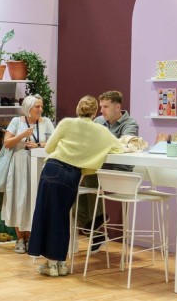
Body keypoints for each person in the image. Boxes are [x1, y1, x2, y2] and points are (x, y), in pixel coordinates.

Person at [27, 96, 123, 277]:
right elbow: (118, 148)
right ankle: (61, 263)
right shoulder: (100, 131)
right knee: (62, 218)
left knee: (47, 216)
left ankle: (51, 264)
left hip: (53, 170)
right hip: (73, 176)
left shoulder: (66, 123)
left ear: (78, 108)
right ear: (95, 113)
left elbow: (49, 149)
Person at [77, 89, 140, 230]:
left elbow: (124, 145)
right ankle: (91, 227)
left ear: (117, 107)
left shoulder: (130, 124)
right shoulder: (99, 121)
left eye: (105, 107)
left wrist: (100, 143)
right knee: (78, 178)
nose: (101, 110)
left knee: (89, 176)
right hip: (102, 169)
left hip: (120, 172)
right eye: (101, 107)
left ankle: (95, 223)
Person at [1, 95, 55, 254]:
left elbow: (54, 142)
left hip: (38, 165)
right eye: (37, 106)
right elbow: (7, 143)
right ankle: (19, 238)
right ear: (28, 108)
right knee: (19, 199)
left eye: (41, 106)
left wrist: (38, 144)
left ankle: (32, 236)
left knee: (34, 199)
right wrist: (22, 136)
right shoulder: (16, 121)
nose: (41, 109)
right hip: (19, 166)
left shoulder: (46, 122)